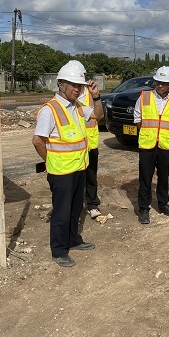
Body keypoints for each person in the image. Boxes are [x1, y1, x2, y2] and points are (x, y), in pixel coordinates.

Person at [32, 63, 104, 267]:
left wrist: (96, 97)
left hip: (79, 168)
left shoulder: (77, 106)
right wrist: (50, 161)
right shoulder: (50, 110)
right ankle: (59, 250)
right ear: (61, 84)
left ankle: (73, 239)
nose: (77, 89)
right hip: (61, 172)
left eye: (79, 86)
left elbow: (98, 115)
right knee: (61, 213)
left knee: (74, 209)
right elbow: (37, 141)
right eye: (73, 85)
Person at [134, 66, 169, 224]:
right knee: (145, 177)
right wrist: (150, 134)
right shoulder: (144, 97)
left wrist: (163, 135)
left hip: (166, 146)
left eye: (164, 83)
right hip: (147, 145)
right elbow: (138, 120)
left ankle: (163, 204)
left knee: (163, 177)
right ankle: (143, 208)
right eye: (158, 82)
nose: (160, 85)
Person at [65, 60, 102, 219]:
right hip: (73, 146)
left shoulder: (90, 94)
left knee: (91, 177)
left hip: (90, 143)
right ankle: (75, 208)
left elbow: (99, 115)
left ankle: (92, 204)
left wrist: (96, 96)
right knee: (74, 180)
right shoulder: (66, 97)